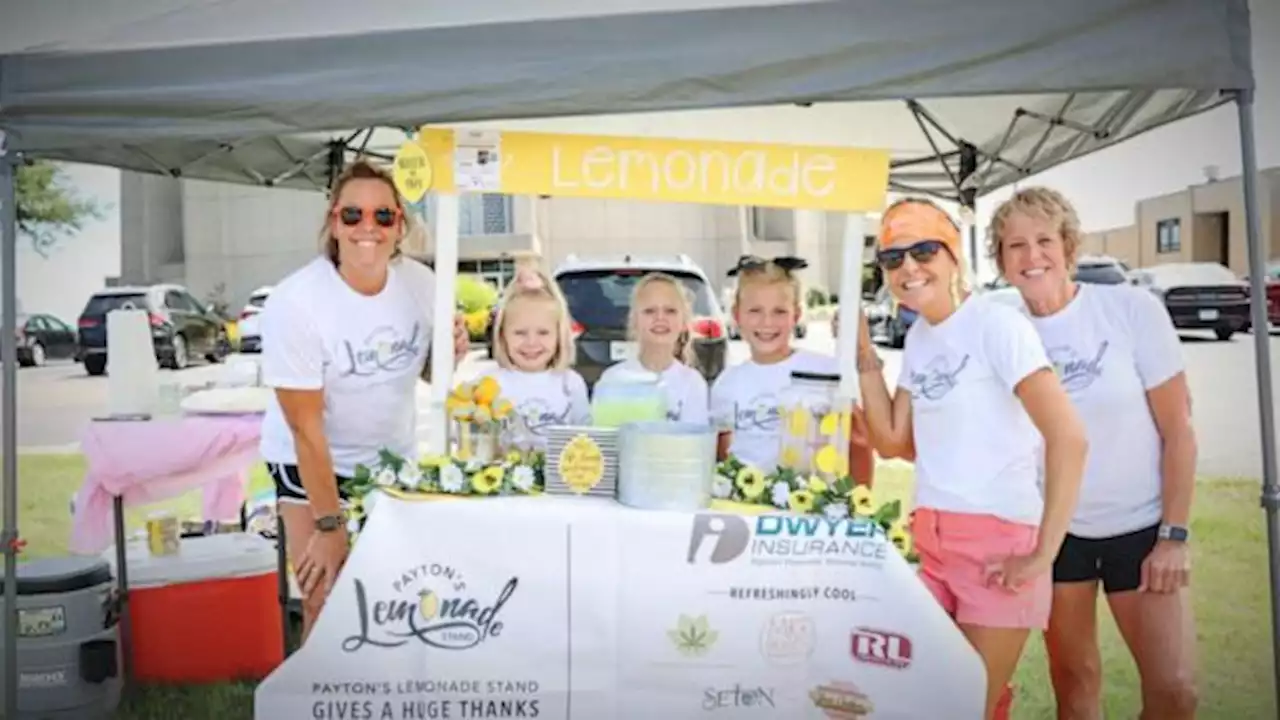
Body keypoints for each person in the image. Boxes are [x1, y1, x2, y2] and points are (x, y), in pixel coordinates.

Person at [853, 198, 1088, 720]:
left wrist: (1043, 553)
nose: (909, 267)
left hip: (999, 547)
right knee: (926, 700)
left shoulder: (997, 327)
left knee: (958, 707)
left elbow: (1069, 437)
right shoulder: (918, 337)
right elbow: (893, 443)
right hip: (934, 542)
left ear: (953, 255)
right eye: (893, 258)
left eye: (923, 250)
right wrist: (861, 350)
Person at [989, 187, 1198, 720]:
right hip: (1057, 536)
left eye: (1043, 240)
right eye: (1015, 245)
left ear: (1069, 246)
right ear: (1000, 259)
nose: (1032, 256)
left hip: (1141, 528)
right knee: (1075, 681)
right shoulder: (1000, 329)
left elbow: (1178, 430)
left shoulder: (1130, 310)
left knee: (1174, 689)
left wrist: (1173, 537)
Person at [258, 159, 469, 641]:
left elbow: (429, 375)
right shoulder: (297, 302)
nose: (366, 228)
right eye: (352, 215)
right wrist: (331, 526)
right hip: (310, 461)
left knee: (394, 593)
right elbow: (305, 429)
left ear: (400, 225)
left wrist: (449, 354)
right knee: (324, 594)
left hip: (390, 460)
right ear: (333, 223)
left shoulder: (422, 284)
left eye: (382, 216)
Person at [711, 256, 875, 485]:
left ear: (796, 315)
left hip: (806, 509)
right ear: (737, 315)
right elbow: (721, 454)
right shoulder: (728, 383)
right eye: (755, 311)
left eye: (779, 311)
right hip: (746, 510)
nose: (767, 322)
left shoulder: (824, 371)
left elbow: (857, 445)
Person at [484, 267, 591, 452]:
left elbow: (586, 440)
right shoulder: (489, 383)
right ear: (502, 336)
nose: (531, 343)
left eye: (543, 333)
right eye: (520, 333)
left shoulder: (571, 384)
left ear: (559, 336)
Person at [597, 272, 710, 425]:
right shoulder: (612, 380)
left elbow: (696, 444)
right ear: (635, 321)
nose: (660, 318)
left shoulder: (693, 384)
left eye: (670, 311)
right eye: (650, 311)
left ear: (684, 321)